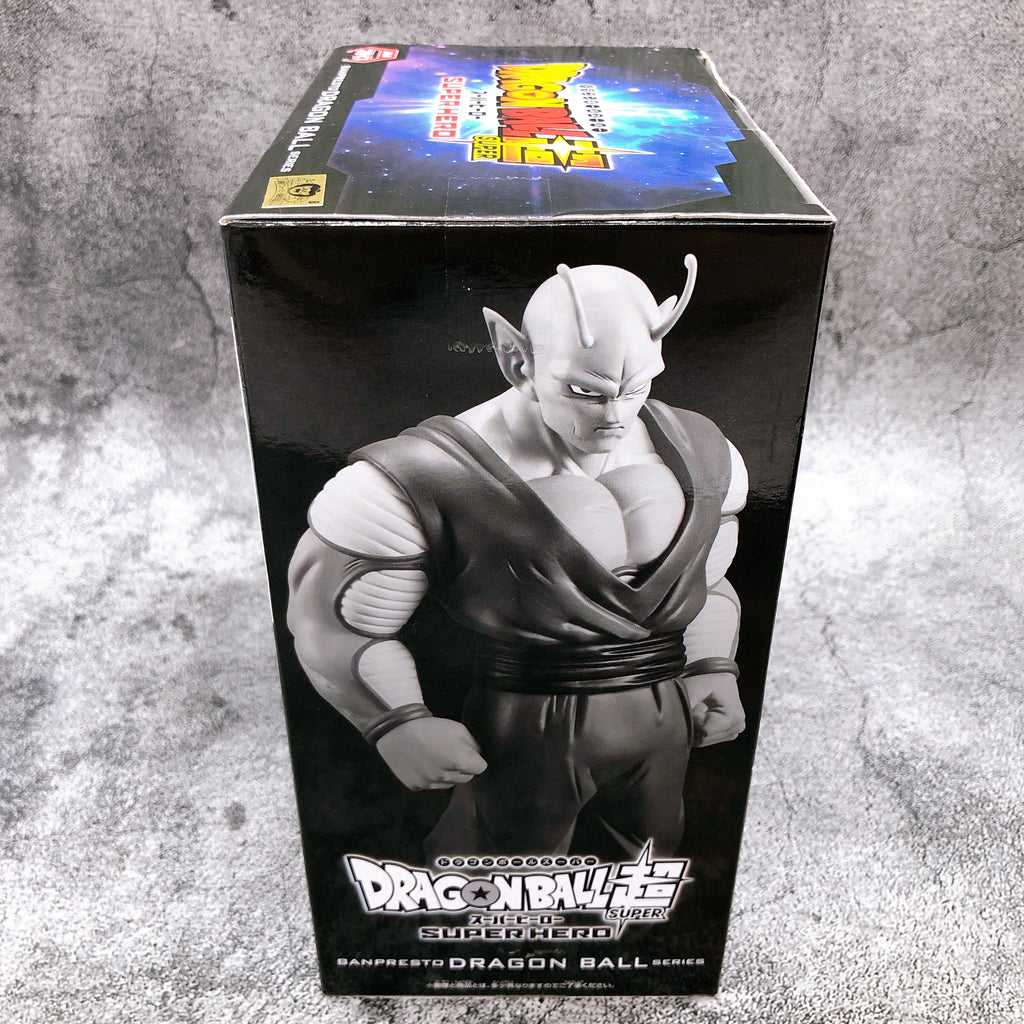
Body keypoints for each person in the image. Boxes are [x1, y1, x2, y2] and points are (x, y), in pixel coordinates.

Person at [287, 257, 747, 860]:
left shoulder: (704, 449)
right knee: (503, 873)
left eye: (636, 388)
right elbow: (332, 620)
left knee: (650, 869)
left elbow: (709, 581)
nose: (615, 416)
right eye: (585, 391)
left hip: (664, 715)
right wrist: (397, 721)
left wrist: (712, 665)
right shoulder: (413, 476)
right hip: (525, 723)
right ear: (515, 358)